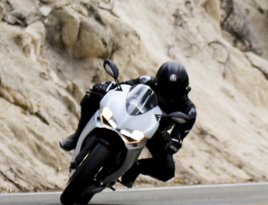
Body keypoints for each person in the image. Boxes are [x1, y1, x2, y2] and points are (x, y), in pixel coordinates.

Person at [59, 61, 196, 186]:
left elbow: (175, 144)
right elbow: (122, 88)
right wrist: (107, 86)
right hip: (128, 113)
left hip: (155, 133)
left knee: (167, 170)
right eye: (164, 88)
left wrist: (168, 140)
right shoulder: (147, 81)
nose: (167, 94)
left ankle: (134, 167)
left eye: (174, 92)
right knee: (91, 98)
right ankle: (78, 136)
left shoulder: (188, 111)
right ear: (158, 81)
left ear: (184, 89)